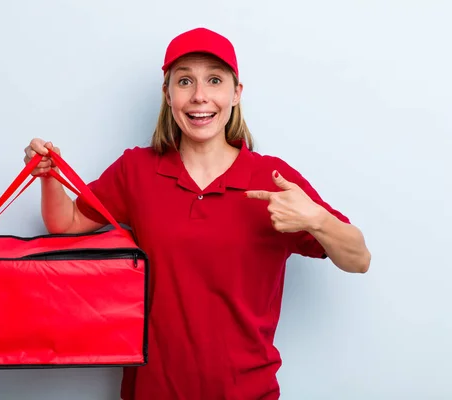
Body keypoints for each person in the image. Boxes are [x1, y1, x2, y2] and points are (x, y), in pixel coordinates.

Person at [23, 27, 371, 400]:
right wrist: (49, 177)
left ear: (236, 94)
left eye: (215, 80)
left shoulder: (271, 178)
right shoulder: (136, 170)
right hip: (153, 391)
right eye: (185, 81)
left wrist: (315, 219)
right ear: (167, 94)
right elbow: (67, 222)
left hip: (247, 392)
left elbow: (358, 259)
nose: (200, 96)